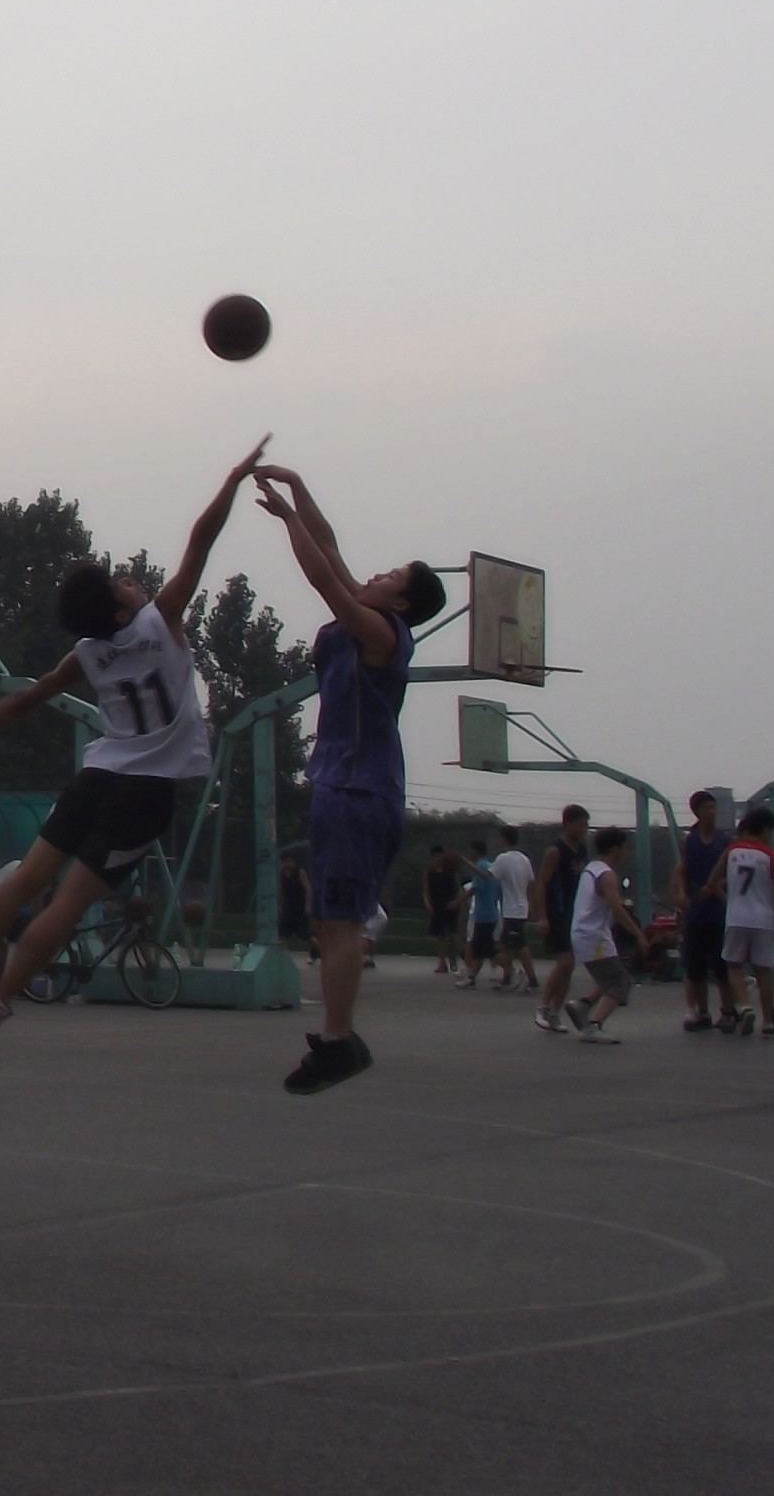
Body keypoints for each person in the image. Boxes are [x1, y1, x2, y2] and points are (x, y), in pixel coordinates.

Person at [0, 440, 268, 1061]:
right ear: (120, 605)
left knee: (26, 878)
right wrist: (234, 478)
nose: (131, 581)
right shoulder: (161, 620)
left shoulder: (86, 654)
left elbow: (28, 698)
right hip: (145, 792)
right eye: (122, 582)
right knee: (71, 900)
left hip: (98, 775)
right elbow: (202, 538)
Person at [244, 463, 445, 1094]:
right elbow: (330, 551)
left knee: (343, 924)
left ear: (401, 603)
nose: (376, 575)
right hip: (343, 786)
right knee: (330, 921)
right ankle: (336, 1038)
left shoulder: (382, 634)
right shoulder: (372, 613)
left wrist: (286, 519)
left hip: (360, 791)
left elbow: (323, 578)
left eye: (390, 577)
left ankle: (338, 1040)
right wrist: (298, 487)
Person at [704, 807, 774, 1038]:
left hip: (736, 917)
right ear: (765, 830)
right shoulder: (772, 857)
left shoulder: (731, 852)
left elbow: (712, 882)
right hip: (763, 920)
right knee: (764, 971)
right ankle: (768, 1022)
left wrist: (729, 900)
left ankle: (745, 1006)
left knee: (734, 965)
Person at [564, 826, 651, 1042]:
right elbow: (616, 908)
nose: (626, 853)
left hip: (583, 933)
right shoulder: (607, 874)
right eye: (624, 848)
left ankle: (582, 1005)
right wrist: (638, 934)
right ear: (615, 849)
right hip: (594, 936)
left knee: (610, 978)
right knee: (620, 983)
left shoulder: (591, 869)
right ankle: (593, 1025)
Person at [672, 791, 738, 1033]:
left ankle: (728, 1011)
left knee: (722, 966)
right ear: (697, 812)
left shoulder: (725, 841)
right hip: (696, 911)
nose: (712, 812)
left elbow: (733, 874)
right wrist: (681, 893)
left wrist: (715, 887)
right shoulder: (690, 841)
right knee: (696, 967)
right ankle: (702, 1012)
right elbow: (683, 870)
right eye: (707, 807)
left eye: (713, 807)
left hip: (719, 911)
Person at [532, 808, 593, 1032]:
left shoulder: (583, 851)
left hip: (575, 914)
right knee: (565, 961)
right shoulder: (555, 852)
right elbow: (541, 884)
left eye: (586, 825)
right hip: (557, 913)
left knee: (569, 966)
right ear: (567, 824)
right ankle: (543, 1007)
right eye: (580, 824)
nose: (584, 829)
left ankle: (555, 1013)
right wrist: (542, 917)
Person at [487, 825, 537, 992]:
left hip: (512, 910)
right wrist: (531, 904)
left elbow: (489, 875)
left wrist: (470, 865)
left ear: (504, 838)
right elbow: (531, 883)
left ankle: (532, 980)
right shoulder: (524, 859)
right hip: (521, 908)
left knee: (520, 945)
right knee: (506, 945)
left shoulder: (503, 858)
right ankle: (507, 978)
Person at [421, 844, 469, 978]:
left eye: (439, 856)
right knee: (439, 935)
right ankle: (442, 962)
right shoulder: (430, 872)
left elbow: (459, 887)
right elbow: (426, 890)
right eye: (435, 857)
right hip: (437, 905)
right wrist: (428, 904)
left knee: (452, 934)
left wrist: (458, 902)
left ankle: (452, 956)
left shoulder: (451, 870)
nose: (437, 859)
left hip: (451, 904)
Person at [460, 837, 498, 991]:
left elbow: (474, 889)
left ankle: (513, 970)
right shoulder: (490, 865)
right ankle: (471, 979)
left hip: (484, 915)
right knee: (482, 950)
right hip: (491, 912)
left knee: (484, 950)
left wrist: (458, 902)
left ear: (475, 850)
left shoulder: (481, 866)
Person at [275, 852, 311, 949]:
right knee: (284, 934)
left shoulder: (300, 871)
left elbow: (308, 888)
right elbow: (281, 889)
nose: (287, 864)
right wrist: (279, 903)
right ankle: (283, 956)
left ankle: (320, 950)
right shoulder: (282, 872)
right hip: (287, 907)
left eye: (290, 861)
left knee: (306, 935)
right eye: (285, 861)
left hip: (299, 908)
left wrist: (308, 905)